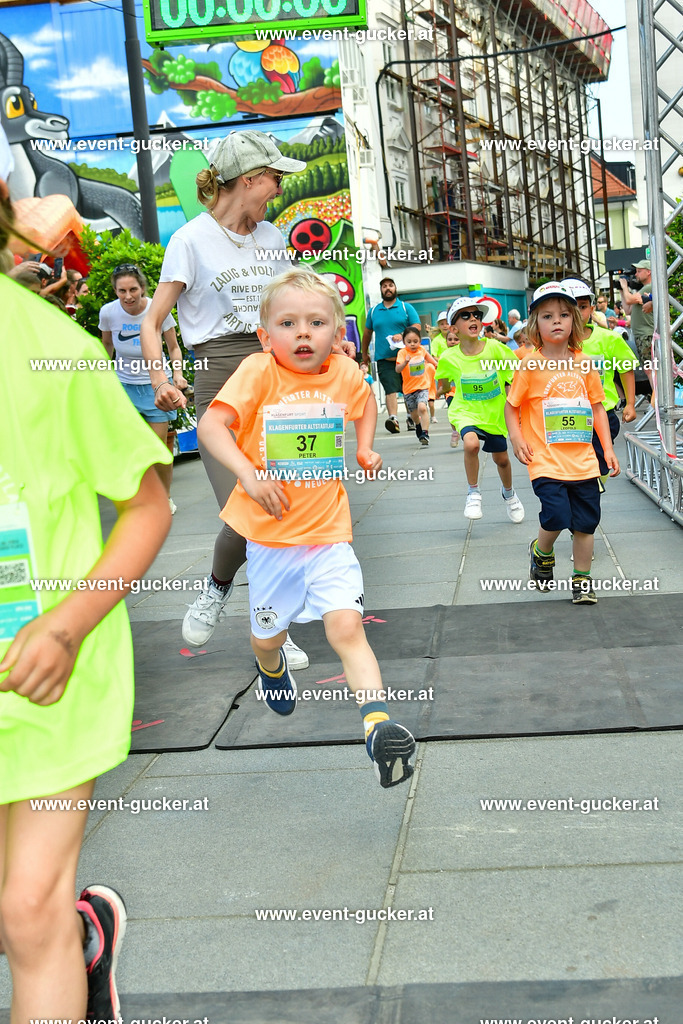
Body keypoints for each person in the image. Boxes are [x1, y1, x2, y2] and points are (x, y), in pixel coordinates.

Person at [0, 129, 172, 1023]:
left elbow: (147, 507)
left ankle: (60, 937)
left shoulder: (47, 343)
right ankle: (87, 942)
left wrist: (66, 626)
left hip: (45, 674)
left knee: (25, 911)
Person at [197, 267, 417, 787]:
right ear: (264, 334)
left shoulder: (343, 373)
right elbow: (210, 425)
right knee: (267, 638)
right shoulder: (257, 372)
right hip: (271, 542)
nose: (302, 333)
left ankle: (376, 725)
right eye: (288, 322)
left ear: (337, 333)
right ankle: (270, 668)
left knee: (346, 627)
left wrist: (365, 445)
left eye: (316, 322)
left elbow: (363, 402)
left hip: (327, 535)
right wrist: (248, 476)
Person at [140, 128, 312, 668]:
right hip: (219, 380)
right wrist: (160, 378)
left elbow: (294, 306)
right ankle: (221, 592)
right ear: (247, 179)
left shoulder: (273, 238)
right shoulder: (190, 239)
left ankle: (270, 625)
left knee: (282, 508)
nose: (278, 189)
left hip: (278, 378)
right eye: (274, 178)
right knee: (245, 510)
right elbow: (153, 321)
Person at [505, 282, 620, 605]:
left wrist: (607, 449)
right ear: (534, 325)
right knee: (556, 515)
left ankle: (582, 581)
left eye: (564, 315)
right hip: (545, 458)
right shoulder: (529, 363)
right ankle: (541, 551)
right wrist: (516, 438)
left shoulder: (585, 363)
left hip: (583, 460)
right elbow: (511, 406)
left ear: (575, 323)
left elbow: (598, 407)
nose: (557, 321)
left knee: (586, 522)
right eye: (547, 316)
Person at [100, 263, 186, 514]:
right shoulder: (108, 313)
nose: (128, 296)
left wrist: (177, 376)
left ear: (143, 288)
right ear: (115, 290)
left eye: (133, 290)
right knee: (129, 445)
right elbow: (107, 345)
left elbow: (173, 347)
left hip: (156, 385)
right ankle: (138, 498)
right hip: (124, 385)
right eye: (121, 291)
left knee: (158, 447)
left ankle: (164, 497)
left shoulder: (157, 310)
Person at [435, 297, 524, 523]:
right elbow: (444, 383)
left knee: (501, 460)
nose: (473, 318)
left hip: (494, 415)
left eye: (476, 315)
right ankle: (473, 493)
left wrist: (519, 407)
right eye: (466, 316)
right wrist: (443, 391)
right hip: (466, 412)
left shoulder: (496, 349)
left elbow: (517, 378)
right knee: (471, 444)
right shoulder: (448, 357)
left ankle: (509, 493)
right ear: (454, 327)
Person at [561, 278, 637, 486]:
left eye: (582, 307)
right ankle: (585, 491)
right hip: (566, 415)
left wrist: (630, 403)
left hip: (603, 413)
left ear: (592, 309)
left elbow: (626, 369)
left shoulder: (608, 339)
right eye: (570, 307)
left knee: (599, 463)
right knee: (577, 466)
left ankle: (592, 487)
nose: (577, 313)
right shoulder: (552, 342)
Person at [360, 277, 421, 434]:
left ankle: (410, 417)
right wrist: (364, 352)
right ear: (381, 290)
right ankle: (393, 419)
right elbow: (367, 333)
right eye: (384, 286)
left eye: (390, 286)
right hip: (384, 359)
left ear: (395, 288)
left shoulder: (406, 307)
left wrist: (402, 334)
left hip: (407, 358)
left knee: (409, 390)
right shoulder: (374, 311)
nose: (388, 288)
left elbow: (417, 326)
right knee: (390, 389)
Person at [395, 326, 439, 445]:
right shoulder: (402, 353)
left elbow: (433, 362)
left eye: (415, 341)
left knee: (422, 408)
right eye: (409, 342)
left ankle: (425, 433)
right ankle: (418, 426)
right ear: (404, 342)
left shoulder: (422, 350)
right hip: (409, 389)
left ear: (420, 341)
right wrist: (405, 362)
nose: (413, 344)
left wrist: (438, 366)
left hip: (422, 386)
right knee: (414, 414)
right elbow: (397, 369)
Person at [619, 259, 654, 382]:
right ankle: (657, 397)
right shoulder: (643, 289)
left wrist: (624, 286)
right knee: (649, 369)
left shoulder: (650, 287)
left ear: (649, 272)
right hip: (641, 334)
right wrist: (622, 291)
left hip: (646, 334)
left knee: (650, 369)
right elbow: (628, 310)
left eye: (639, 271)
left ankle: (658, 398)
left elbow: (629, 300)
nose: (636, 274)